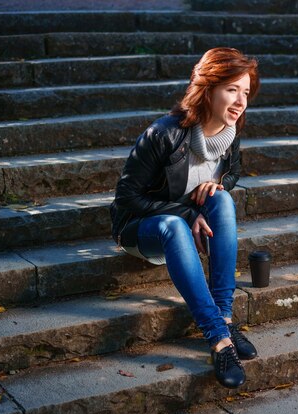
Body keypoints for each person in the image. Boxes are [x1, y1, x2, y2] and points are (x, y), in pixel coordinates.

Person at [110, 47, 260, 388]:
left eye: (246, 92)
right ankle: (218, 338)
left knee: (222, 202)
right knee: (175, 224)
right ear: (208, 90)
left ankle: (223, 315)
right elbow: (126, 198)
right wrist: (186, 211)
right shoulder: (163, 134)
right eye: (231, 90)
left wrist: (217, 183)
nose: (240, 102)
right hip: (142, 229)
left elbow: (233, 172)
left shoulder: (230, 133)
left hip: (183, 224)